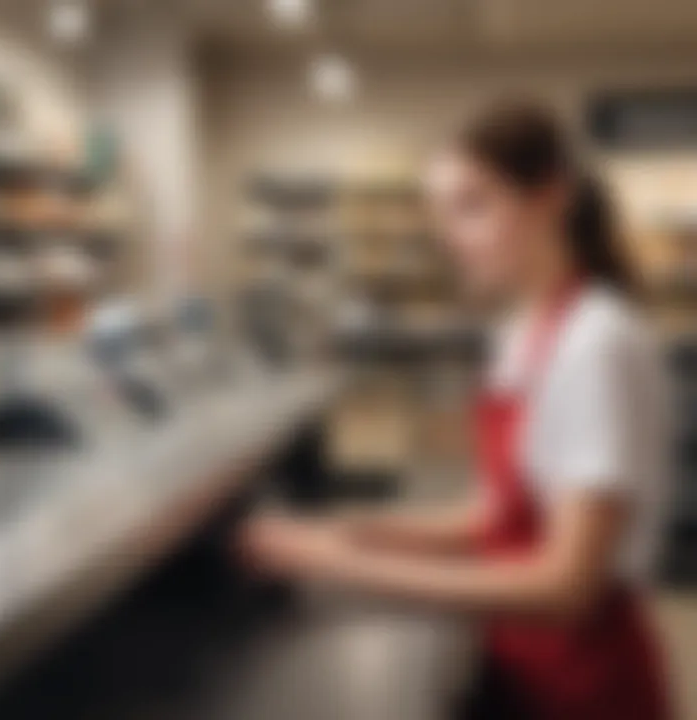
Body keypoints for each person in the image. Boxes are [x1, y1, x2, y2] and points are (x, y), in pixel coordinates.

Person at [240, 99, 673, 719]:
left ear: (551, 196)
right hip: (523, 667)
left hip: (584, 688)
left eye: (473, 205)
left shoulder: (593, 344)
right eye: (440, 210)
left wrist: (343, 565)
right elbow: (494, 514)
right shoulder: (522, 336)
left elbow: (566, 585)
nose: (449, 234)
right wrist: (353, 530)